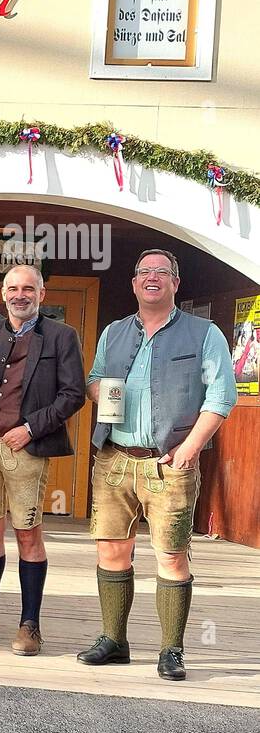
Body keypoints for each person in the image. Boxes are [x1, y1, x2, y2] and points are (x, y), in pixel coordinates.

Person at [78, 249, 237, 681]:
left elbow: (222, 397)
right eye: (143, 271)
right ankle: (114, 640)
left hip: (170, 462)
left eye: (161, 272)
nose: (152, 278)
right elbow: (93, 379)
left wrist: (190, 448)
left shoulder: (205, 333)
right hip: (113, 458)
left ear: (175, 283)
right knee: (112, 550)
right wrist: (100, 392)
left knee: (171, 555)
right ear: (133, 284)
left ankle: (172, 649)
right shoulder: (112, 331)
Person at [0, 265, 86, 655]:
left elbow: (73, 394)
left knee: (28, 533)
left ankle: (30, 625)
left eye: (28, 288)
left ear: (41, 294)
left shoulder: (62, 336)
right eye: (13, 288)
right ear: (3, 294)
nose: (20, 295)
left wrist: (30, 428)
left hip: (26, 448)